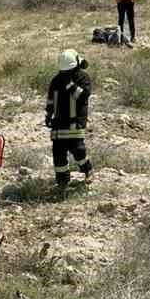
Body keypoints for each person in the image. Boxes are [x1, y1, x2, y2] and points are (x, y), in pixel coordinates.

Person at [45, 48, 93, 196]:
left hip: (76, 123)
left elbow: (83, 95)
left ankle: (88, 171)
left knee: (78, 151)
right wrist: (49, 113)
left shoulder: (83, 77)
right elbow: (51, 98)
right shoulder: (56, 79)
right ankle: (62, 182)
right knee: (58, 155)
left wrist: (69, 84)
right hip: (59, 124)